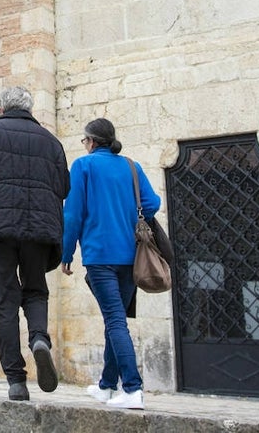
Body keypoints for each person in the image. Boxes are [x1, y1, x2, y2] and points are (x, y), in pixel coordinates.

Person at [0, 86, 69, 402]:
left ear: (1, 108)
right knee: (35, 289)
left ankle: (16, 381)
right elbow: (64, 185)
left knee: (4, 299)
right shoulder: (52, 142)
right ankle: (39, 339)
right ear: (29, 109)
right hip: (40, 228)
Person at [60, 117, 161, 411]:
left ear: (91, 141)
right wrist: (129, 212)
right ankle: (106, 386)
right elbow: (152, 203)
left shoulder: (84, 166)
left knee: (115, 321)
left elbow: (73, 214)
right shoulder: (131, 166)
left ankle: (132, 388)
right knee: (115, 319)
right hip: (131, 256)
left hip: (100, 256)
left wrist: (67, 253)